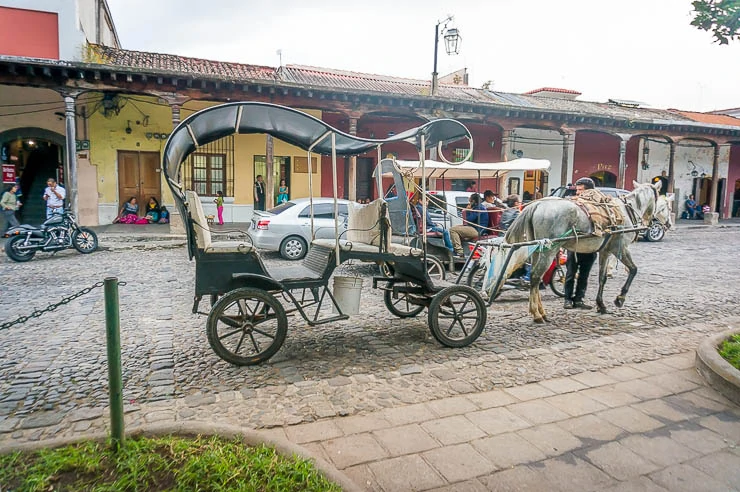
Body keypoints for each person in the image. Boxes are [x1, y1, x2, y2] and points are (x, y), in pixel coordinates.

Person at [563, 177, 598, 310]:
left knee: (584, 275)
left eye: (580, 190)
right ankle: (567, 299)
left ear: (589, 191)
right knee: (570, 274)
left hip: (590, 246)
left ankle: (579, 299)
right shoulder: (572, 205)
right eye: (577, 190)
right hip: (574, 245)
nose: (577, 192)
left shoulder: (596, 205)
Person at [449, 193, 487, 258]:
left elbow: (469, 219)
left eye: (470, 201)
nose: (469, 202)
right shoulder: (477, 207)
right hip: (473, 227)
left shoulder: (479, 208)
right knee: (455, 228)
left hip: (477, 230)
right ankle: (457, 249)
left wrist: (468, 210)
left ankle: (459, 252)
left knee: (453, 230)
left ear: (473, 201)